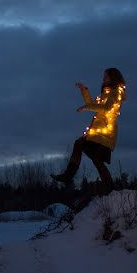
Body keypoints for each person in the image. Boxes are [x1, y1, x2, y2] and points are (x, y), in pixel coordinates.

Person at [51, 67, 127, 195]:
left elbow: (106, 108)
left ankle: (69, 176)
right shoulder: (105, 93)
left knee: (84, 148)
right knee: (95, 158)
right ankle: (110, 188)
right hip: (96, 132)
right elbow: (93, 104)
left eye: (106, 76)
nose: (103, 79)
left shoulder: (116, 93)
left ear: (113, 78)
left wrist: (86, 107)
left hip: (105, 133)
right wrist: (84, 90)